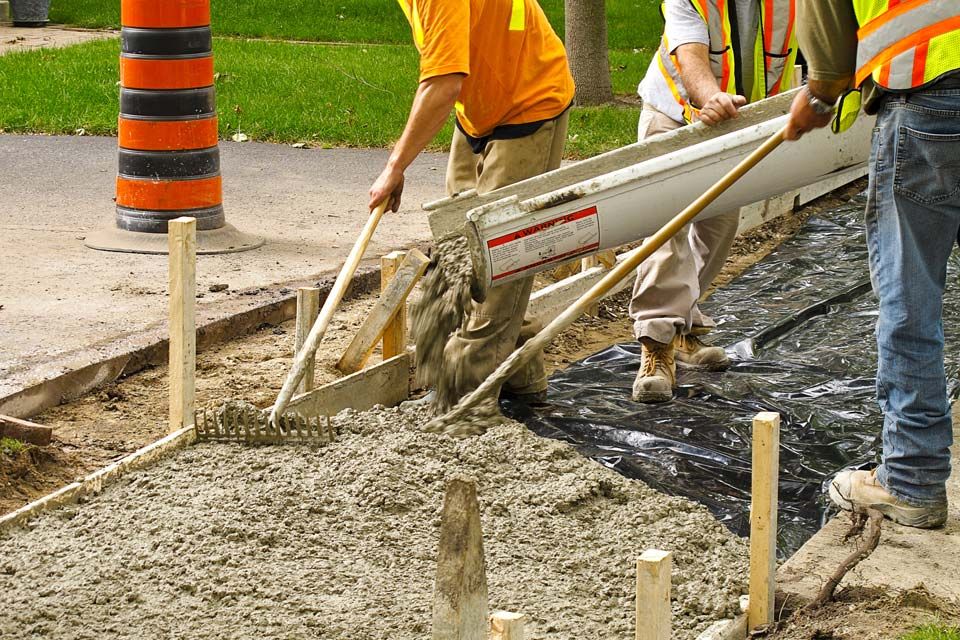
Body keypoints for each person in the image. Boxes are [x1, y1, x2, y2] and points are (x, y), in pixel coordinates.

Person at [786, 0, 958, 529]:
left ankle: (912, 479)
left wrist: (817, 96)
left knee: (910, 295)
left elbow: (831, 56)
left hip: (930, 107)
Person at [369, 0, 574, 404]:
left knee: (496, 265)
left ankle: (461, 404)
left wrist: (394, 167)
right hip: (480, 108)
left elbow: (444, 83)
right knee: (458, 252)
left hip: (530, 102)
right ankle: (522, 377)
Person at [630, 0, 798, 403]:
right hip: (675, 115)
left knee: (719, 229)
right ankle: (656, 345)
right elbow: (689, 54)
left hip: (736, 124)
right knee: (667, 231)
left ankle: (682, 329)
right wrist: (710, 96)